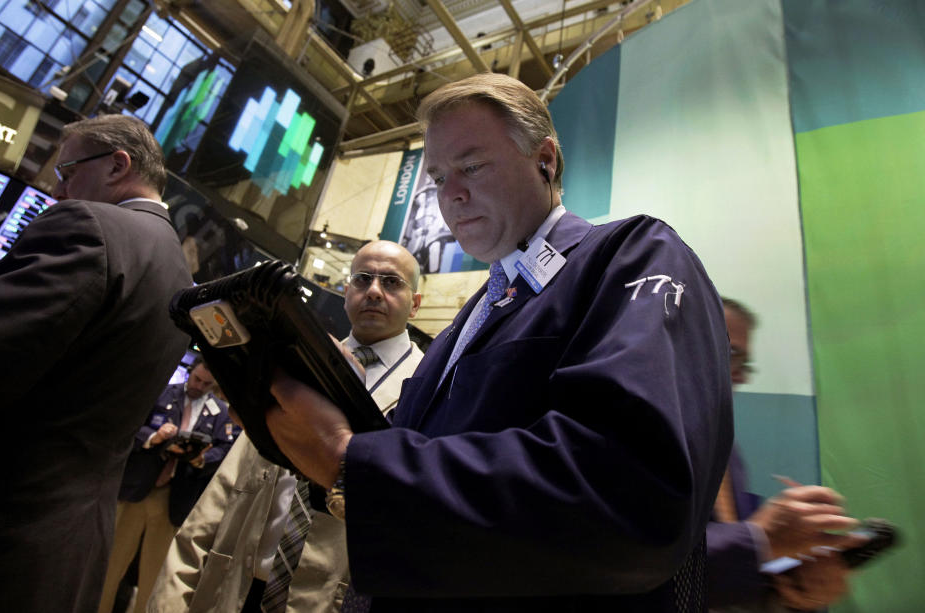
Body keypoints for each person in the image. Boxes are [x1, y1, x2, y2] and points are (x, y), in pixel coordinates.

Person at [262, 73, 734, 611]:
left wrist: (357, 464)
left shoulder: (631, 255)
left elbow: (632, 491)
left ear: (545, 161)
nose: (451, 194)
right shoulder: (465, 324)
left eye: (472, 166)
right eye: (438, 176)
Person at [0, 114, 192, 613]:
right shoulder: (179, 271)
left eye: (67, 172)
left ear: (117, 165)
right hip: (74, 541)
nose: (58, 189)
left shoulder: (91, 226)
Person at [148, 240, 425, 613]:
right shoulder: (292, 363)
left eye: (391, 282)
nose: (374, 291)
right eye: (362, 279)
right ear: (346, 292)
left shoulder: (428, 388)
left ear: (416, 303)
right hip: (237, 589)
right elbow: (225, 490)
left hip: (327, 599)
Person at [708, 298, 863, 611]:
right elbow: (638, 560)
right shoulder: (630, 435)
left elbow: (722, 570)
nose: (741, 376)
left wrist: (793, 588)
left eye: (745, 363)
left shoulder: (726, 449)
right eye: (733, 354)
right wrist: (761, 539)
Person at [98, 358, 237, 613]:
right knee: (111, 563)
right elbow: (132, 424)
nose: (199, 385)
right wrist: (154, 437)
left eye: (207, 383)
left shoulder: (218, 411)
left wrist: (202, 457)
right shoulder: (162, 394)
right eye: (196, 379)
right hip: (139, 488)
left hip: (174, 496)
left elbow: (226, 448)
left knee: (155, 573)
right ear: (189, 373)